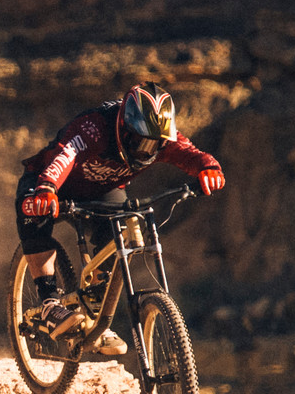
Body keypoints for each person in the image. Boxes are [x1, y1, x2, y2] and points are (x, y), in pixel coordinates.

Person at [16, 82, 225, 355]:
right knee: (34, 215)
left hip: (100, 190)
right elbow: (65, 157)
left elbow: (189, 153)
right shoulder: (93, 128)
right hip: (49, 181)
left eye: (155, 145)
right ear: (124, 129)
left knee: (120, 233)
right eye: (140, 141)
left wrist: (208, 167)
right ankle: (48, 304)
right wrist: (47, 188)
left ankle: (96, 316)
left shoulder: (161, 137)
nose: (147, 151)